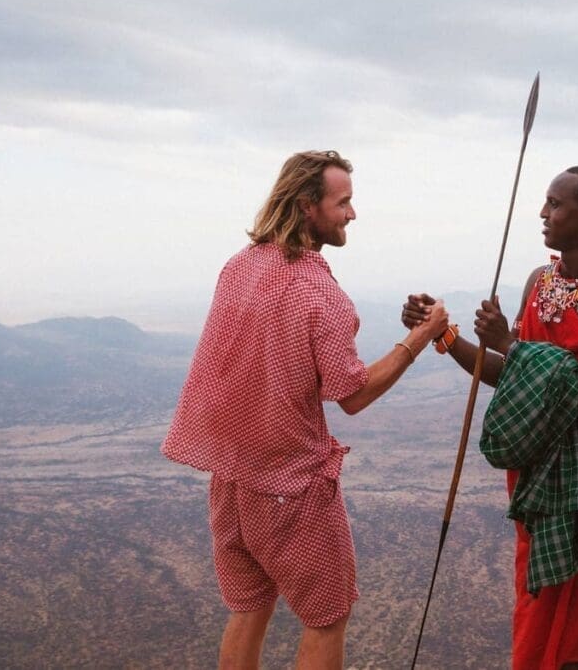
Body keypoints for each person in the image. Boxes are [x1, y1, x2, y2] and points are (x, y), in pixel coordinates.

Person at [163, 150, 448, 670]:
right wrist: (420, 338)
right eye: (343, 203)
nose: (352, 214)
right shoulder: (319, 292)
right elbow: (353, 394)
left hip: (231, 479)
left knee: (248, 609)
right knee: (326, 618)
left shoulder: (238, 268)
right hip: (291, 487)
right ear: (306, 205)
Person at [403, 165, 578, 670]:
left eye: (555, 203)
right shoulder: (539, 281)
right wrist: (441, 334)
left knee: (568, 613)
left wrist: (508, 343)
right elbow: (513, 378)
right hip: (540, 477)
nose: (543, 213)